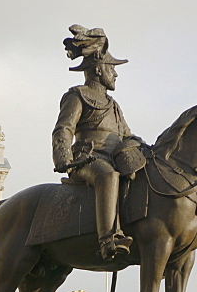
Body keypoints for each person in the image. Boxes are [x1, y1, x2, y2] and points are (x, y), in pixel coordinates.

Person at [52, 25, 144, 262]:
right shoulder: (77, 95)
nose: (115, 74)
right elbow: (64, 128)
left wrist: (144, 150)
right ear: (100, 68)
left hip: (113, 157)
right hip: (87, 159)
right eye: (112, 69)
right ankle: (108, 240)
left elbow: (126, 135)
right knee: (108, 176)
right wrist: (64, 159)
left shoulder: (113, 105)